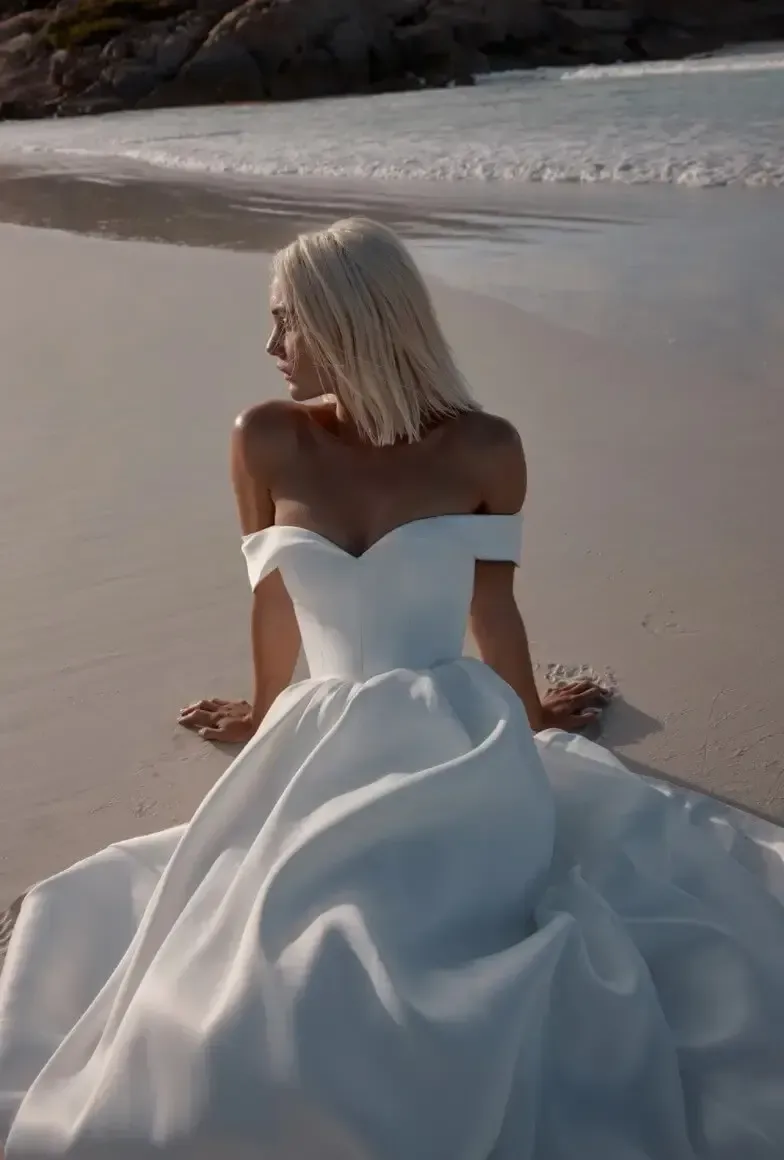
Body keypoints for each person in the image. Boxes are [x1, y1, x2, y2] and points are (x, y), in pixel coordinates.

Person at [1, 218, 783, 1160]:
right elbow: (272, 597)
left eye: (286, 321)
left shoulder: (485, 447)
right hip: (314, 735)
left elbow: (494, 610)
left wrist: (533, 719)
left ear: (348, 320)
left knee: (441, 924)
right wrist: (257, 713)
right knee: (278, 941)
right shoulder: (266, 438)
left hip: (457, 733)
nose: (270, 346)